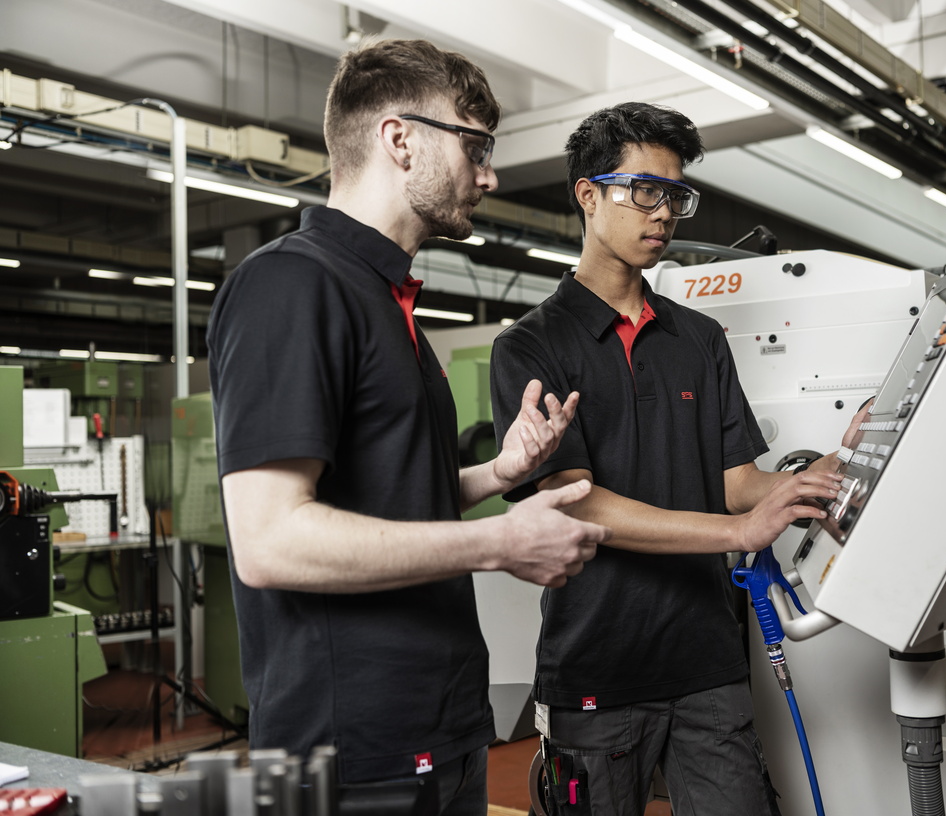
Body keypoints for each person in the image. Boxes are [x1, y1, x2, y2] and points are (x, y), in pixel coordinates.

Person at [206, 38, 610, 813]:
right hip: (352, 755)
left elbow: (384, 499)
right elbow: (269, 542)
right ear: (400, 139)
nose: (488, 175)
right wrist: (499, 543)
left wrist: (499, 474)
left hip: (441, 729)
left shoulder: (389, 305)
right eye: (475, 146)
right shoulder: (291, 285)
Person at [489, 102, 855, 815]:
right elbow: (577, 502)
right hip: (597, 666)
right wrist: (737, 532)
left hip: (707, 661)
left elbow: (737, 482)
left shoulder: (698, 339)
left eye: (676, 195)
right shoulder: (531, 347)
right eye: (644, 191)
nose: (664, 213)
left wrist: (827, 472)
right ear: (588, 195)